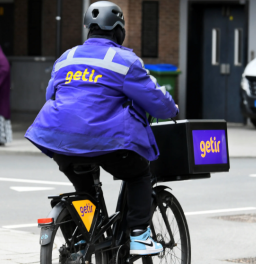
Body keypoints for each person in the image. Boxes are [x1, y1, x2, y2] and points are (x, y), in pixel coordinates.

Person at [25, 1, 178, 256]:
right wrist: (172, 110)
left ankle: (84, 240)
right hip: (106, 142)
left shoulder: (67, 57)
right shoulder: (125, 60)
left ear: (89, 31)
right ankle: (140, 235)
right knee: (140, 174)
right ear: (119, 31)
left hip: (59, 141)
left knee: (85, 189)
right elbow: (155, 100)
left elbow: (50, 94)